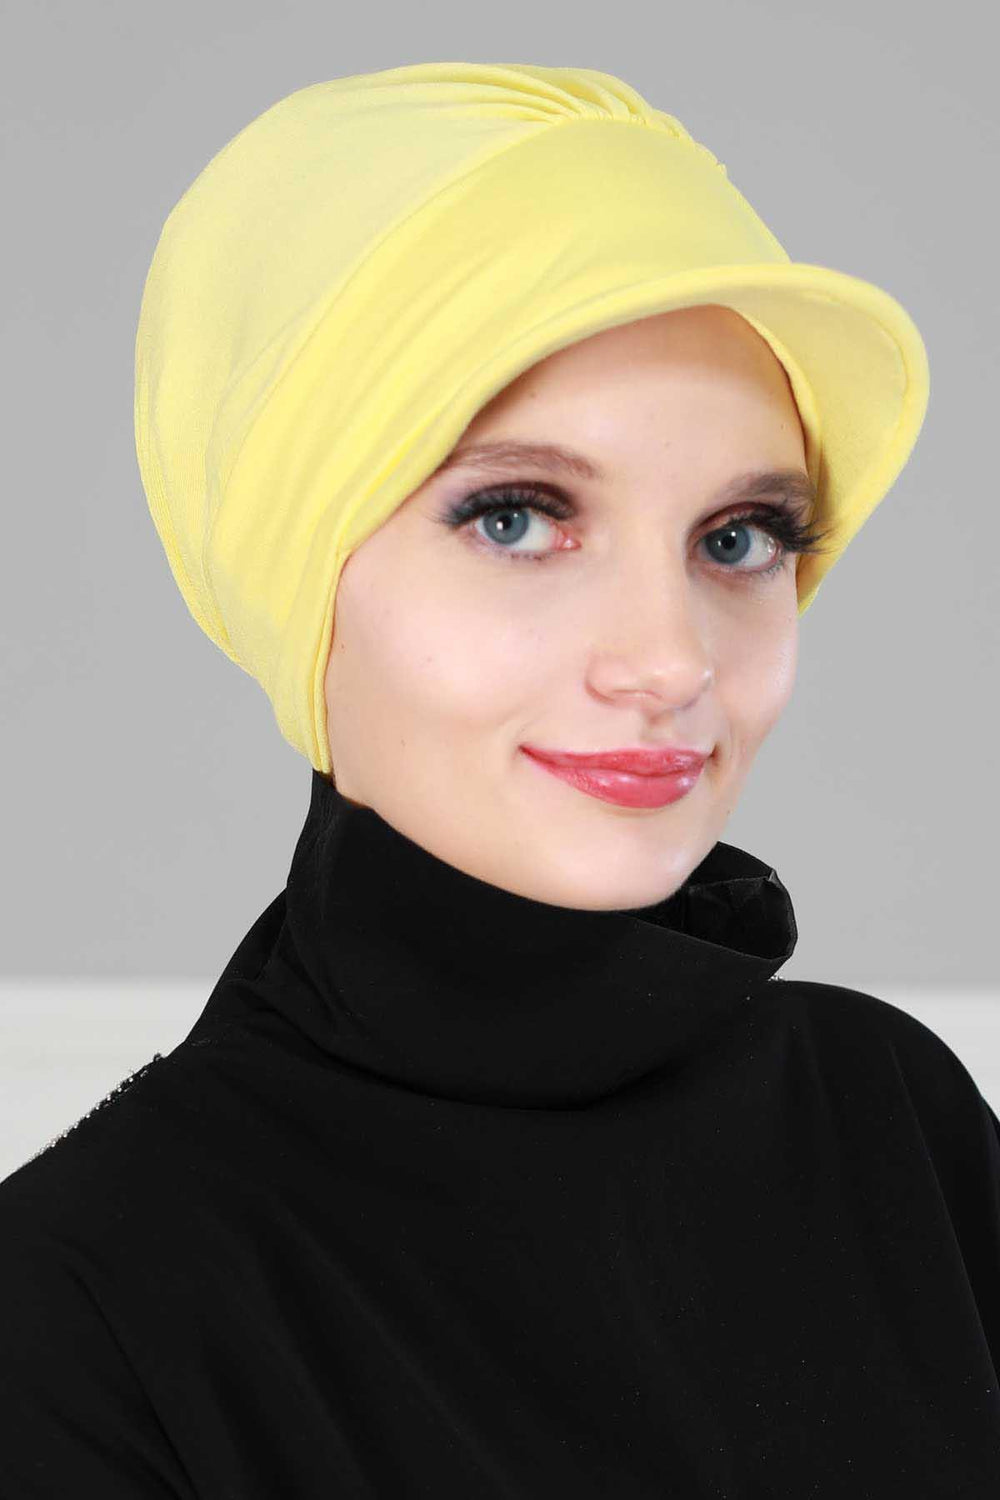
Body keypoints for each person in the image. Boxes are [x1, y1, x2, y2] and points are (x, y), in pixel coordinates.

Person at [2, 61, 998, 1497]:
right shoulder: (84, 1305)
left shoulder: (888, 1119)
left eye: (738, 538)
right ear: (297, 575)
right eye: (518, 519)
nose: (669, 661)